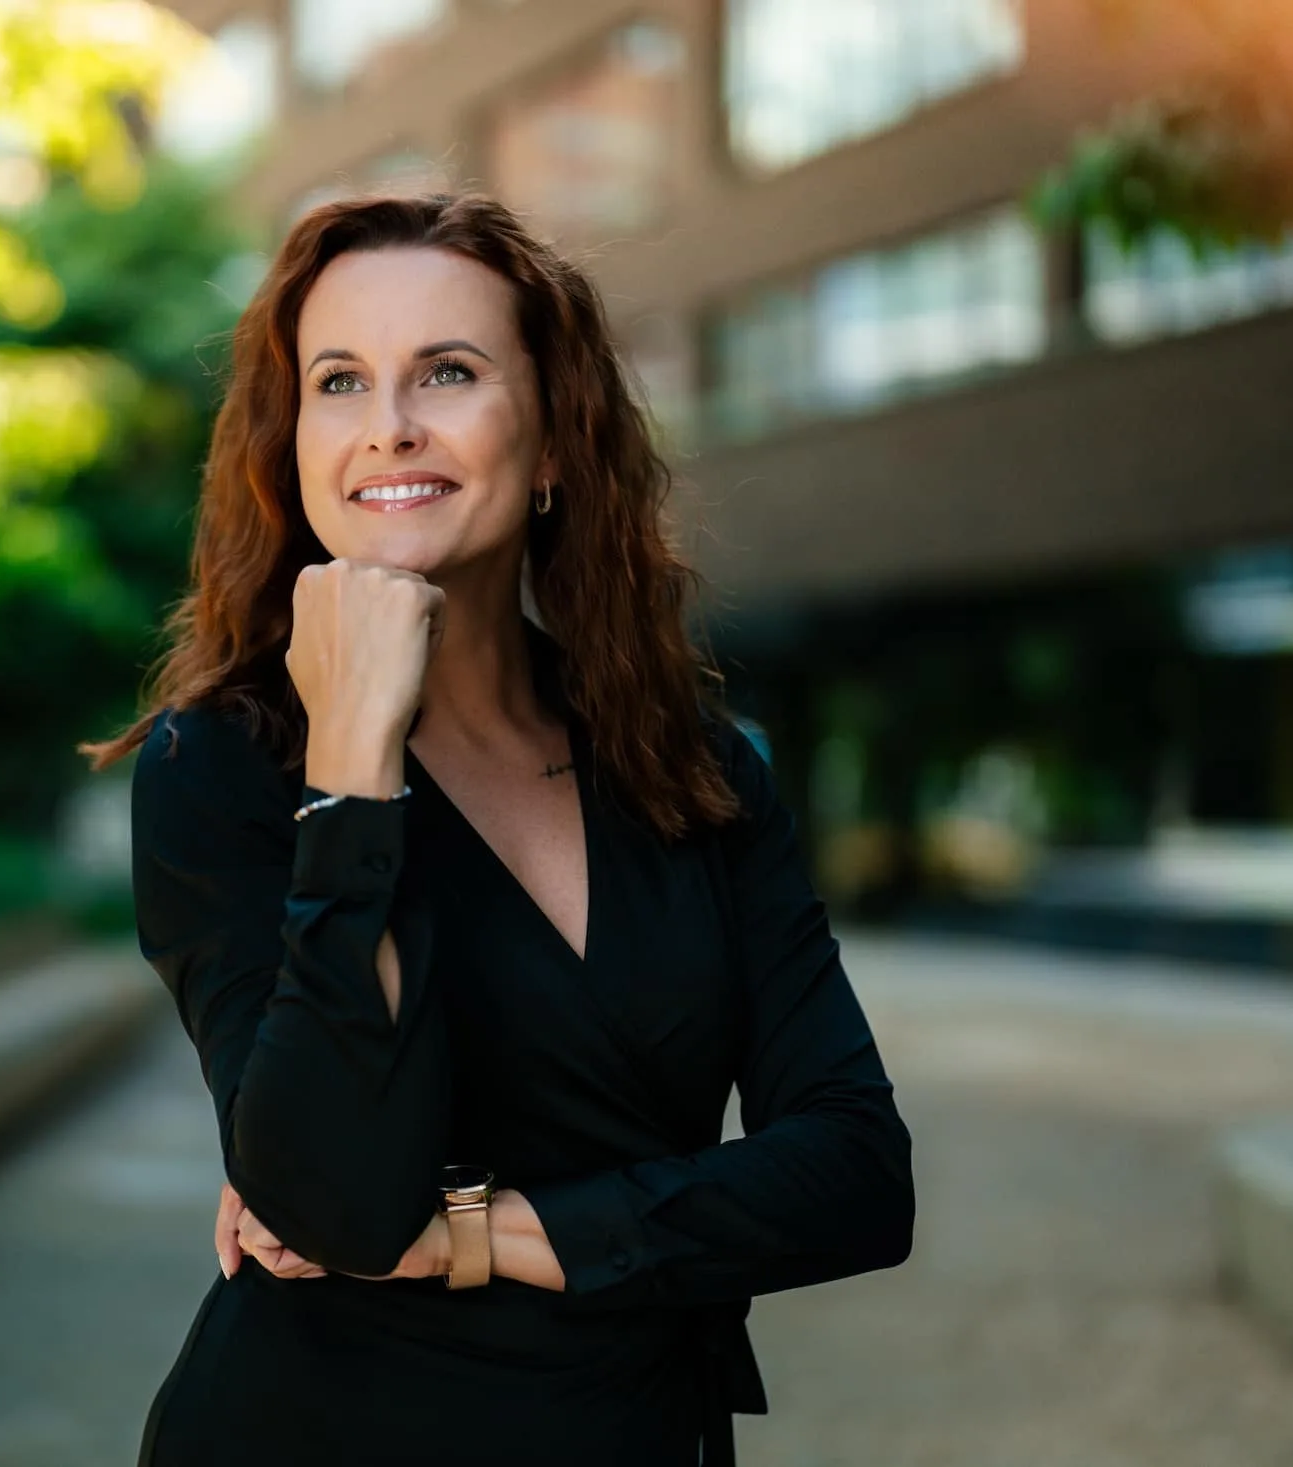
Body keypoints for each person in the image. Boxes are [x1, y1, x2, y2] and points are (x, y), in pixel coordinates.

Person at [80, 192, 916, 1467]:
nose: (390, 428)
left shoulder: (698, 776)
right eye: (341, 381)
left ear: (554, 446)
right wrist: (352, 769)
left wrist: (466, 1231)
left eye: (449, 372)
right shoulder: (223, 770)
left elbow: (858, 1176)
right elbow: (337, 1198)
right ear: (293, 444)